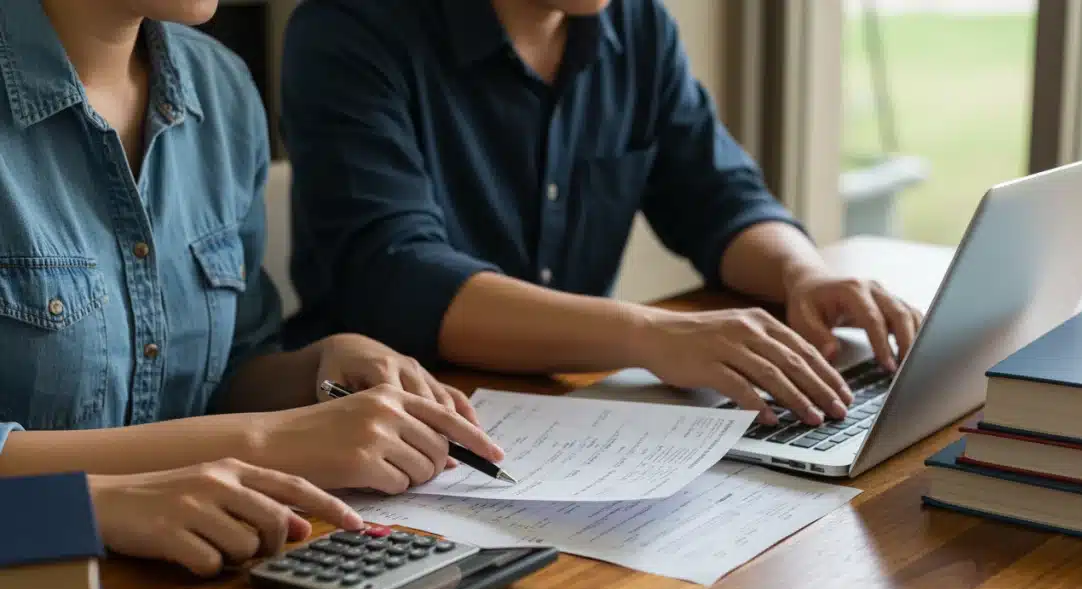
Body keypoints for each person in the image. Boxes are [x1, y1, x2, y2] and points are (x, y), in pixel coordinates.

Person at [0, 0, 502, 576]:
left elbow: (230, 368)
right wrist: (265, 441)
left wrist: (322, 366)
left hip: (200, 581)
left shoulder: (221, 89)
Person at [281, 0, 925, 429]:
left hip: (570, 415)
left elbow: (720, 194)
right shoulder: (349, 28)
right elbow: (397, 277)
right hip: (385, 425)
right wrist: (650, 336)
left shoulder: (637, 25)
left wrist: (801, 275)